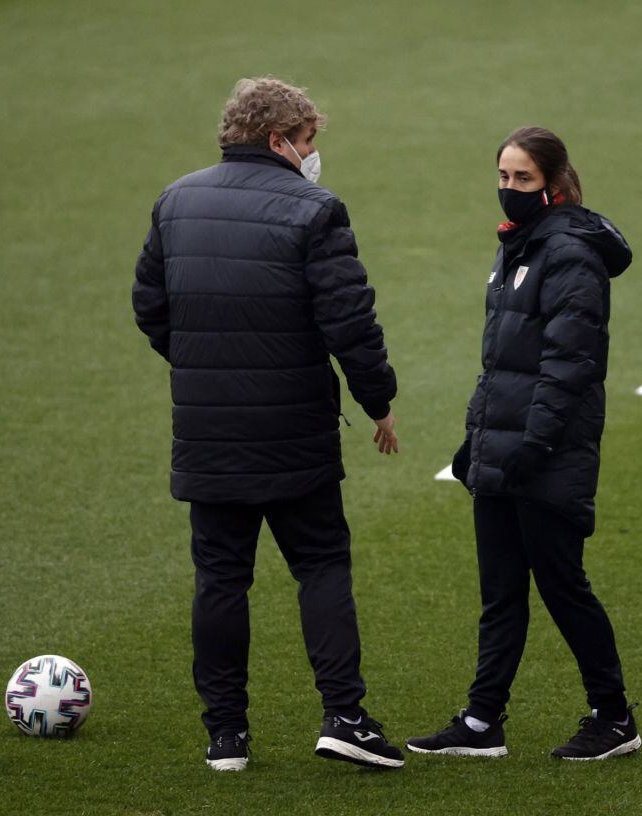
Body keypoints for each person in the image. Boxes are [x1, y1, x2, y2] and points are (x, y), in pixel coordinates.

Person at [132, 77, 404, 772]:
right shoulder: (315, 211)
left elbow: (150, 308)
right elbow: (351, 323)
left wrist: (206, 365)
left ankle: (226, 736)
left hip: (208, 433)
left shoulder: (175, 201)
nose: (315, 156)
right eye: (310, 141)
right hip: (293, 432)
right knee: (320, 565)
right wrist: (379, 401)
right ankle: (344, 715)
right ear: (280, 140)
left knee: (221, 579)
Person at [406, 126, 641, 761]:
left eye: (524, 180)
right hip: (505, 448)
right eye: (504, 178)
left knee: (563, 585)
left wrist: (533, 447)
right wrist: (475, 440)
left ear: (556, 185)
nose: (509, 191)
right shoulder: (521, 247)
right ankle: (483, 722)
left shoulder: (569, 254)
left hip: (547, 453)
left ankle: (615, 717)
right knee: (502, 591)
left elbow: (569, 364)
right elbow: (503, 364)